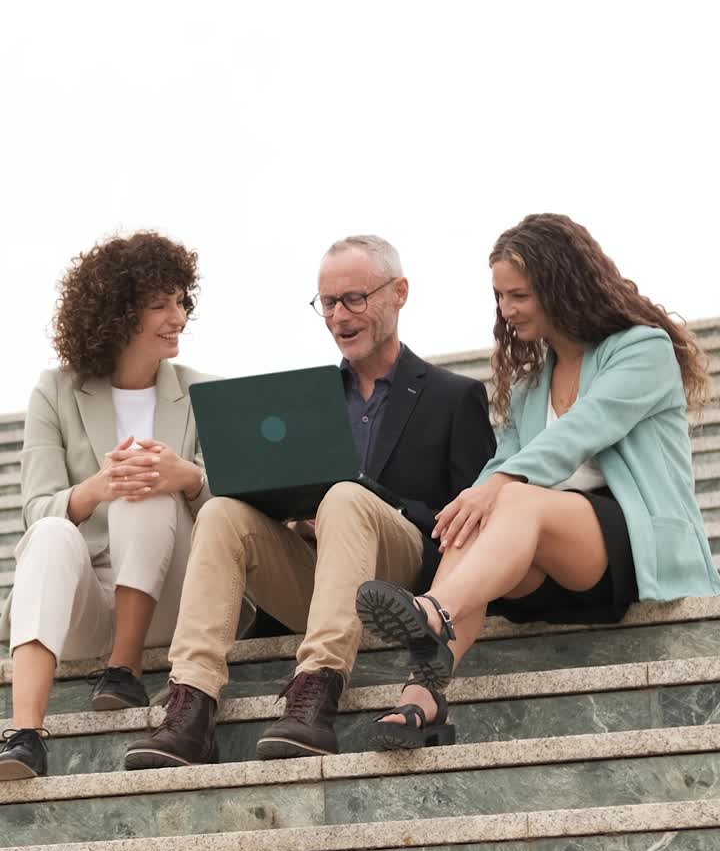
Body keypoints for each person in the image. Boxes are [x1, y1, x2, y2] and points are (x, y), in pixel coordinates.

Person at [125, 234, 495, 768]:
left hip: (405, 585)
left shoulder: (453, 396)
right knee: (223, 510)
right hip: (319, 582)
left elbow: (473, 527)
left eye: (355, 299)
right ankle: (192, 705)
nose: (339, 315)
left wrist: (363, 504)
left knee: (344, 496)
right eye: (328, 302)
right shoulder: (306, 404)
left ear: (400, 293)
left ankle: (316, 693)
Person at [357, 213, 720, 749]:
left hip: (630, 547)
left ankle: (434, 611)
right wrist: (470, 503)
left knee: (515, 497)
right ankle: (422, 699)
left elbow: (579, 432)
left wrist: (496, 487)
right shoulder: (531, 385)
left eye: (519, 295)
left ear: (560, 284)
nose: (507, 310)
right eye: (500, 297)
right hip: (545, 558)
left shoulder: (641, 349)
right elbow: (501, 463)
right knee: (474, 521)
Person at [0, 232, 214, 780]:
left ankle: (124, 668)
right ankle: (24, 735)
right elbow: (34, 512)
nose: (179, 316)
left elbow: (234, 516)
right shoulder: (55, 390)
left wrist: (187, 478)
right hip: (85, 603)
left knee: (149, 482)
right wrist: (97, 487)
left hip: (173, 593)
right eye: (160, 304)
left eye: (182, 301)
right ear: (119, 312)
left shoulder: (201, 392)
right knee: (50, 532)